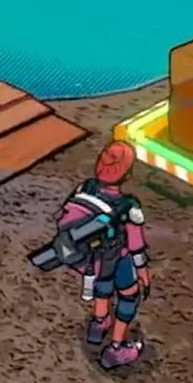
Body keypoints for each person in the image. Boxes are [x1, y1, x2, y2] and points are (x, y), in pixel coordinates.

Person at [56, 141, 152, 370]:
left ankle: (98, 324)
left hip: (93, 260)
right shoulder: (128, 206)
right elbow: (136, 245)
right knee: (128, 296)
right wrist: (143, 272)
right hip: (120, 259)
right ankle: (116, 349)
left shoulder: (85, 188)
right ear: (128, 175)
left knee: (103, 288)